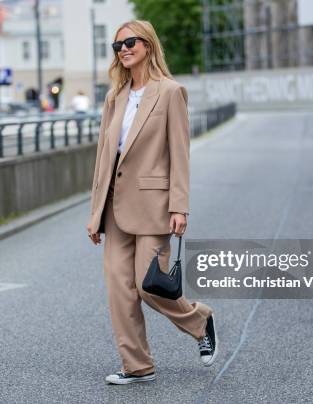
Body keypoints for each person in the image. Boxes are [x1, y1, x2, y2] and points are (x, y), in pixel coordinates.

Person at [86, 20, 217, 385]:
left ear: (147, 44)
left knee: (148, 285)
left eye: (130, 42)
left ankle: (199, 319)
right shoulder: (115, 97)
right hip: (114, 208)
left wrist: (180, 206)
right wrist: (94, 213)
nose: (124, 49)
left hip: (154, 205)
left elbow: (180, 154)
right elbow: (103, 159)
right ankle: (137, 365)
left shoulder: (170, 92)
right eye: (117, 46)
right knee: (118, 288)